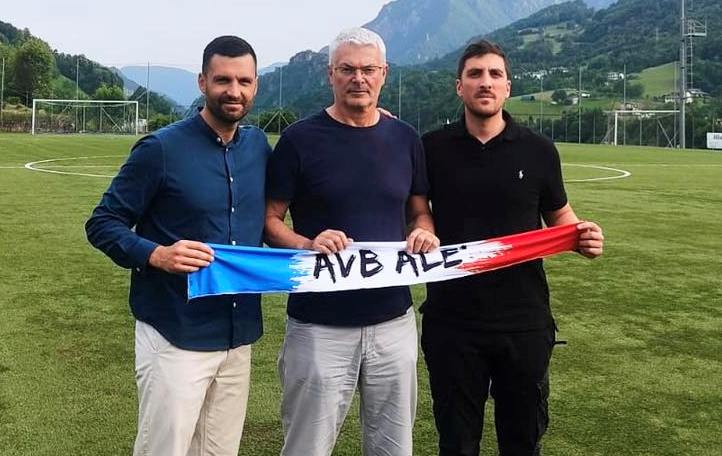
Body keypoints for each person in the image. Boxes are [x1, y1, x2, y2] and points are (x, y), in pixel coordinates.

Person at [85, 36, 270, 456]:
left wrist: (370, 115)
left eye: (244, 81)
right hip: (175, 334)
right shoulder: (161, 149)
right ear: (202, 82)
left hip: (238, 334)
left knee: (219, 450)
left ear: (256, 85)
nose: (234, 91)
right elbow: (102, 222)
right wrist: (156, 254)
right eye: (222, 80)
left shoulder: (258, 146)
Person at [420, 40, 605, 456]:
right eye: (475, 74)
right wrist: (423, 228)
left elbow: (560, 215)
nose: (485, 82)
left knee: (522, 441)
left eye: (495, 74)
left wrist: (583, 236)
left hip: (524, 322)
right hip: (452, 322)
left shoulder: (538, 150)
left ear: (508, 86)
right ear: (459, 86)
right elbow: (417, 209)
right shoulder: (432, 148)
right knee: (457, 443)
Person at [264, 27, 439, 456]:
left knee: (393, 448)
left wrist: (424, 230)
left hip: (393, 322)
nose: (358, 78)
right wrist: (307, 244)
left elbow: (419, 211)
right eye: (347, 69)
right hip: (317, 326)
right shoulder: (299, 140)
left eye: (368, 69)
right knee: (306, 447)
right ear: (330, 74)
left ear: (384, 74)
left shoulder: (405, 138)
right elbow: (269, 221)